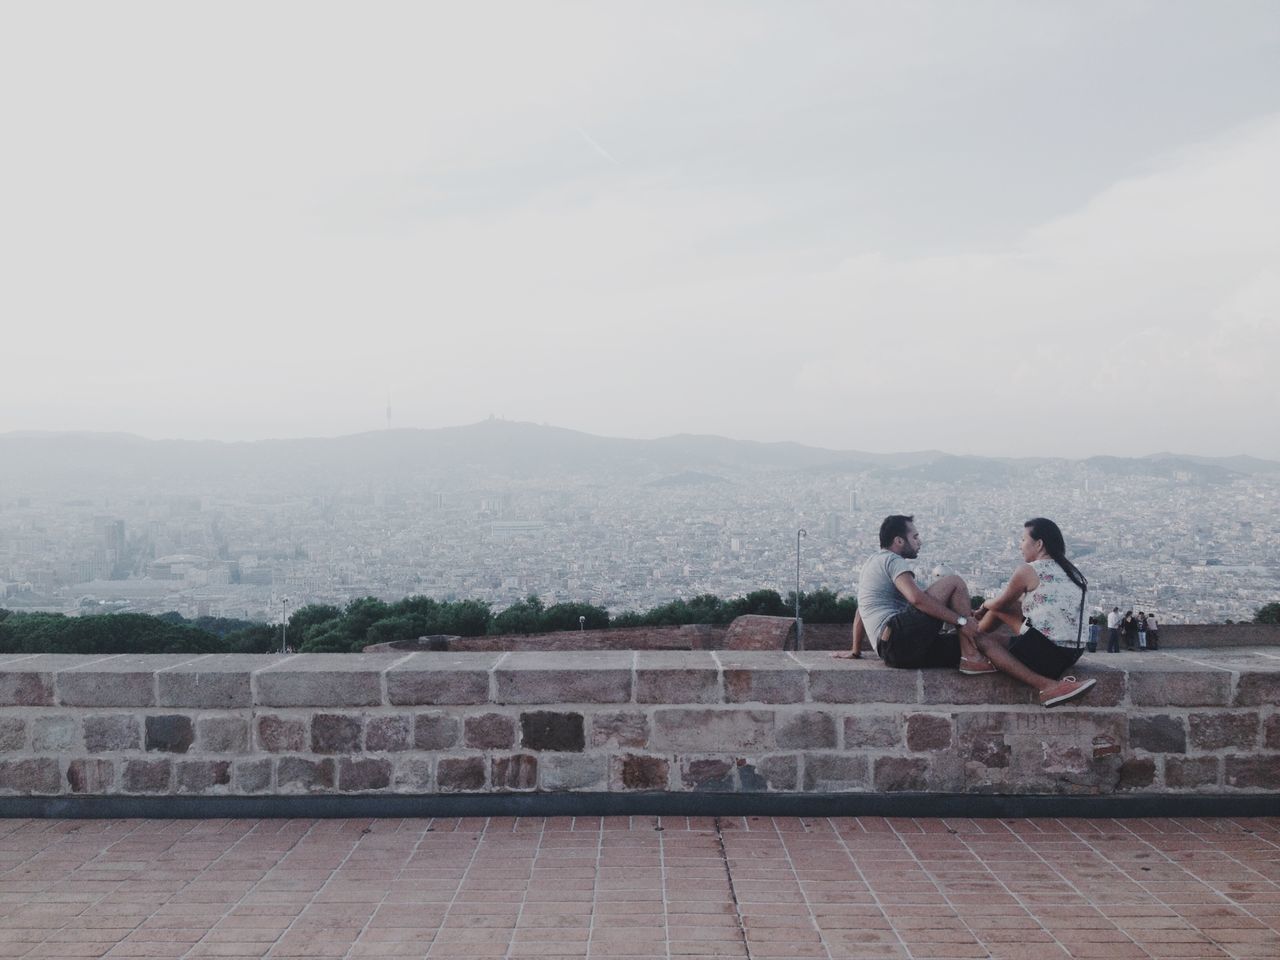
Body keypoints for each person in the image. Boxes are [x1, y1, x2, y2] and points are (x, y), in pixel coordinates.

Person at [833, 514, 988, 671]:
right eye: (915, 537)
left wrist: (856, 650)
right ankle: (970, 656)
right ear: (899, 541)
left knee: (978, 644)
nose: (919, 542)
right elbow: (917, 600)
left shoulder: (872, 563)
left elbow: (862, 610)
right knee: (955, 582)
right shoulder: (893, 560)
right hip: (897, 638)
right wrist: (961, 620)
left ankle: (971, 654)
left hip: (894, 652)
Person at [971, 517, 1096, 707]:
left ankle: (1047, 686)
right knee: (1001, 619)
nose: (1020, 545)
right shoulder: (1072, 571)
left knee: (980, 639)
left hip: (1047, 654)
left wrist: (985, 605)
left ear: (1039, 544)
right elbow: (1013, 605)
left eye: (1023, 540)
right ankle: (976, 632)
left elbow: (1000, 603)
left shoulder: (1028, 571)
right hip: (1072, 654)